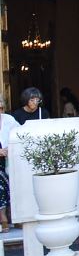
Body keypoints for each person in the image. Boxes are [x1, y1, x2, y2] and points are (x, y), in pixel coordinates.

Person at [0, 96, 20, 233]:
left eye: (1, 107)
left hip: (8, 161)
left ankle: (15, 216)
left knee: (15, 183)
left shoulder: (9, 120)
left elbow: (19, 135)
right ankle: (3, 218)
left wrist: (10, 148)